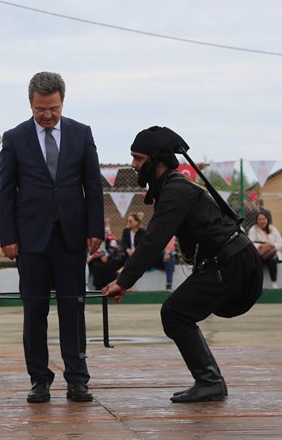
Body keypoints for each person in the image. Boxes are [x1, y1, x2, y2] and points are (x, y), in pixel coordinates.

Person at [103, 126, 263, 403]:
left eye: (139, 158)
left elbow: (153, 240)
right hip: (230, 260)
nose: (133, 164)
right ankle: (210, 381)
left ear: (158, 160)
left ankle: (211, 382)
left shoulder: (176, 190)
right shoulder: (172, 188)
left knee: (175, 313)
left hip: (231, 262)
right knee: (178, 312)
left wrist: (123, 280)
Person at [0, 71, 104, 404]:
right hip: (30, 241)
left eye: (53, 109)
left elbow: (93, 186)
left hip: (72, 238)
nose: (47, 115)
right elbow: (5, 191)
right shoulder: (14, 138)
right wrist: (9, 237)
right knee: (35, 312)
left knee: (73, 309)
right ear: (30, 103)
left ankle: (77, 379)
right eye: (41, 109)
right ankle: (39, 380)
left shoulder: (81, 134)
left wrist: (95, 229)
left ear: (62, 101)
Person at [247, 211, 282, 289]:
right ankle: (255, 284)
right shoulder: (253, 229)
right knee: (255, 260)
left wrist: (271, 245)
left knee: (273, 259)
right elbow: (250, 243)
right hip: (259, 254)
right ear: (257, 220)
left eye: (264, 219)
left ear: (267, 219)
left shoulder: (273, 229)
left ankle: (274, 282)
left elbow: (280, 243)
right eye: (260, 219)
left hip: (271, 253)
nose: (262, 221)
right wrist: (261, 245)